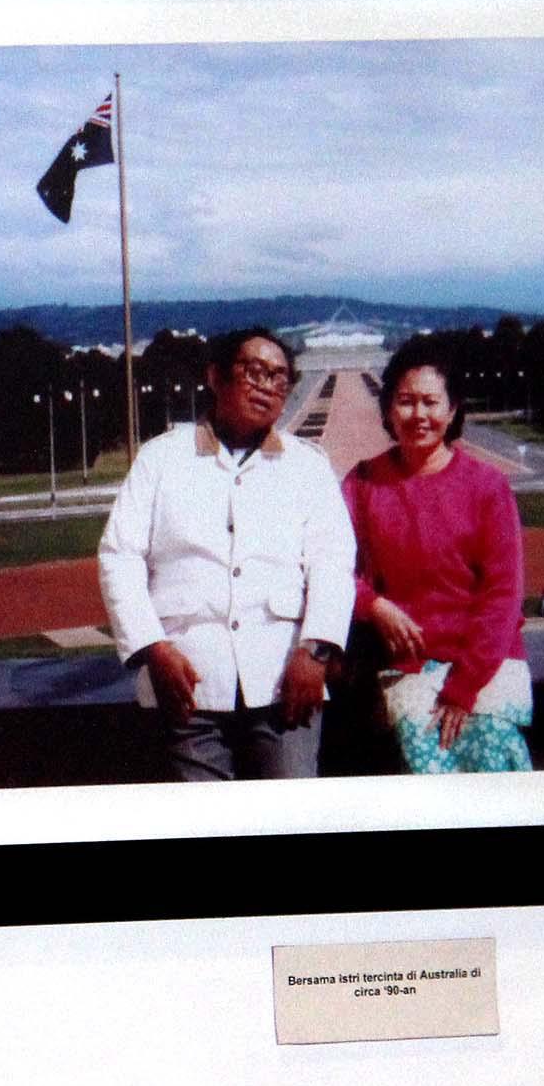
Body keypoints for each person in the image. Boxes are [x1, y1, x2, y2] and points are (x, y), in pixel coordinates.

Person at [98, 328, 355, 780]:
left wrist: (315, 653)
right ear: (216, 377)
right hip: (187, 681)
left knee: (293, 811)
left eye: (279, 378)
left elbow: (333, 562)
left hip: (284, 679)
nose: (267, 386)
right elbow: (120, 556)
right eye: (254, 372)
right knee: (203, 816)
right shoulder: (160, 459)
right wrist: (154, 648)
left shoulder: (308, 466)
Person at [341, 342, 533, 773]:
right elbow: (333, 567)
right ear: (388, 409)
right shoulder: (364, 482)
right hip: (409, 667)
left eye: (430, 402)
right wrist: (374, 606)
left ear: (452, 409)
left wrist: (464, 687)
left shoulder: (487, 486)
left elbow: (502, 596)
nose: (419, 415)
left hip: (483, 668)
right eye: (406, 401)